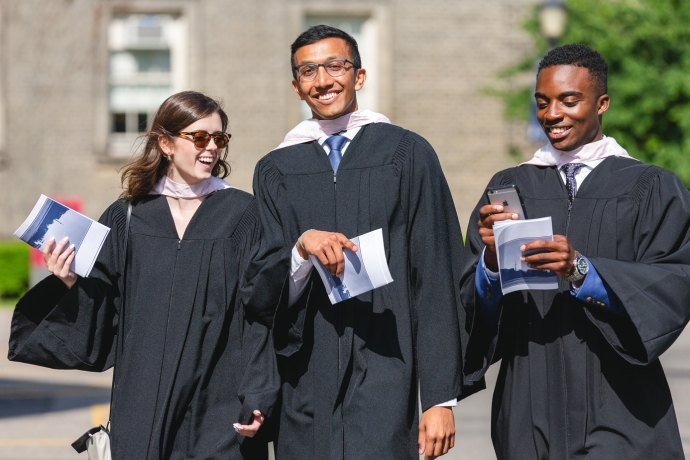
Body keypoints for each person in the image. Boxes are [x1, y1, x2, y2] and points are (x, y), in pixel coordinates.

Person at [8, 91, 279, 459]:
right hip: (142, 401)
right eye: (199, 137)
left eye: (220, 138)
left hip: (218, 401)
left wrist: (260, 392)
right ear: (166, 143)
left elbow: (260, 312)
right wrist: (70, 281)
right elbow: (105, 311)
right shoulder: (129, 216)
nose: (212, 147)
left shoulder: (243, 215)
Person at [246, 25, 473, 460]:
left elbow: (437, 274)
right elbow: (260, 290)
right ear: (296, 86)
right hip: (305, 377)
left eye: (336, 66)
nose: (323, 80)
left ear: (359, 76)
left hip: (388, 368)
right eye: (308, 70)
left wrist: (441, 399)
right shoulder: (275, 169)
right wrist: (300, 251)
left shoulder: (406, 154)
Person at [461, 44, 690, 459]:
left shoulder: (650, 187)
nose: (552, 114)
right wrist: (490, 264)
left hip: (621, 405)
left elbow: (676, 281)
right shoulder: (512, 186)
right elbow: (467, 302)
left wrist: (582, 271)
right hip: (529, 402)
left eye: (569, 100)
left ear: (602, 103)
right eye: (542, 102)